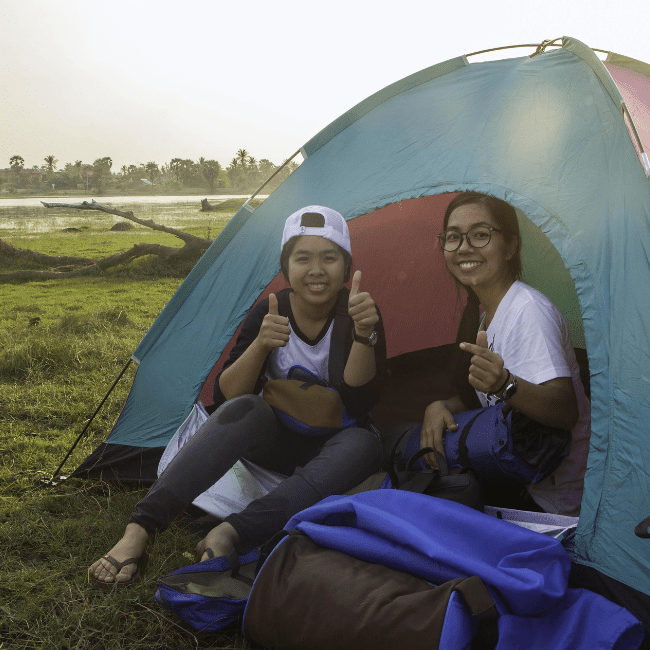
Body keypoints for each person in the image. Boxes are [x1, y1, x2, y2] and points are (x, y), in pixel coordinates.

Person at [89, 205, 386, 587]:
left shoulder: (359, 311)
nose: (316, 270)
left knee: (363, 443)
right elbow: (226, 396)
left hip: (330, 447)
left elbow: (361, 401)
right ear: (285, 266)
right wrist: (261, 344)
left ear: (346, 268)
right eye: (303, 258)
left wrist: (365, 333)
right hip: (272, 439)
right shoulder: (270, 309)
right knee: (247, 407)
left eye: (329, 258)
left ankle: (230, 532)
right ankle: (139, 529)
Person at [420, 191, 590, 517]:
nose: (464, 247)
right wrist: (439, 406)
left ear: (511, 246)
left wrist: (505, 383)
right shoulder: (487, 315)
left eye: (480, 235)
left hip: (554, 501)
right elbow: (485, 401)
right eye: (453, 237)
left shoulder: (527, 311)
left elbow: (565, 411)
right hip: (518, 471)